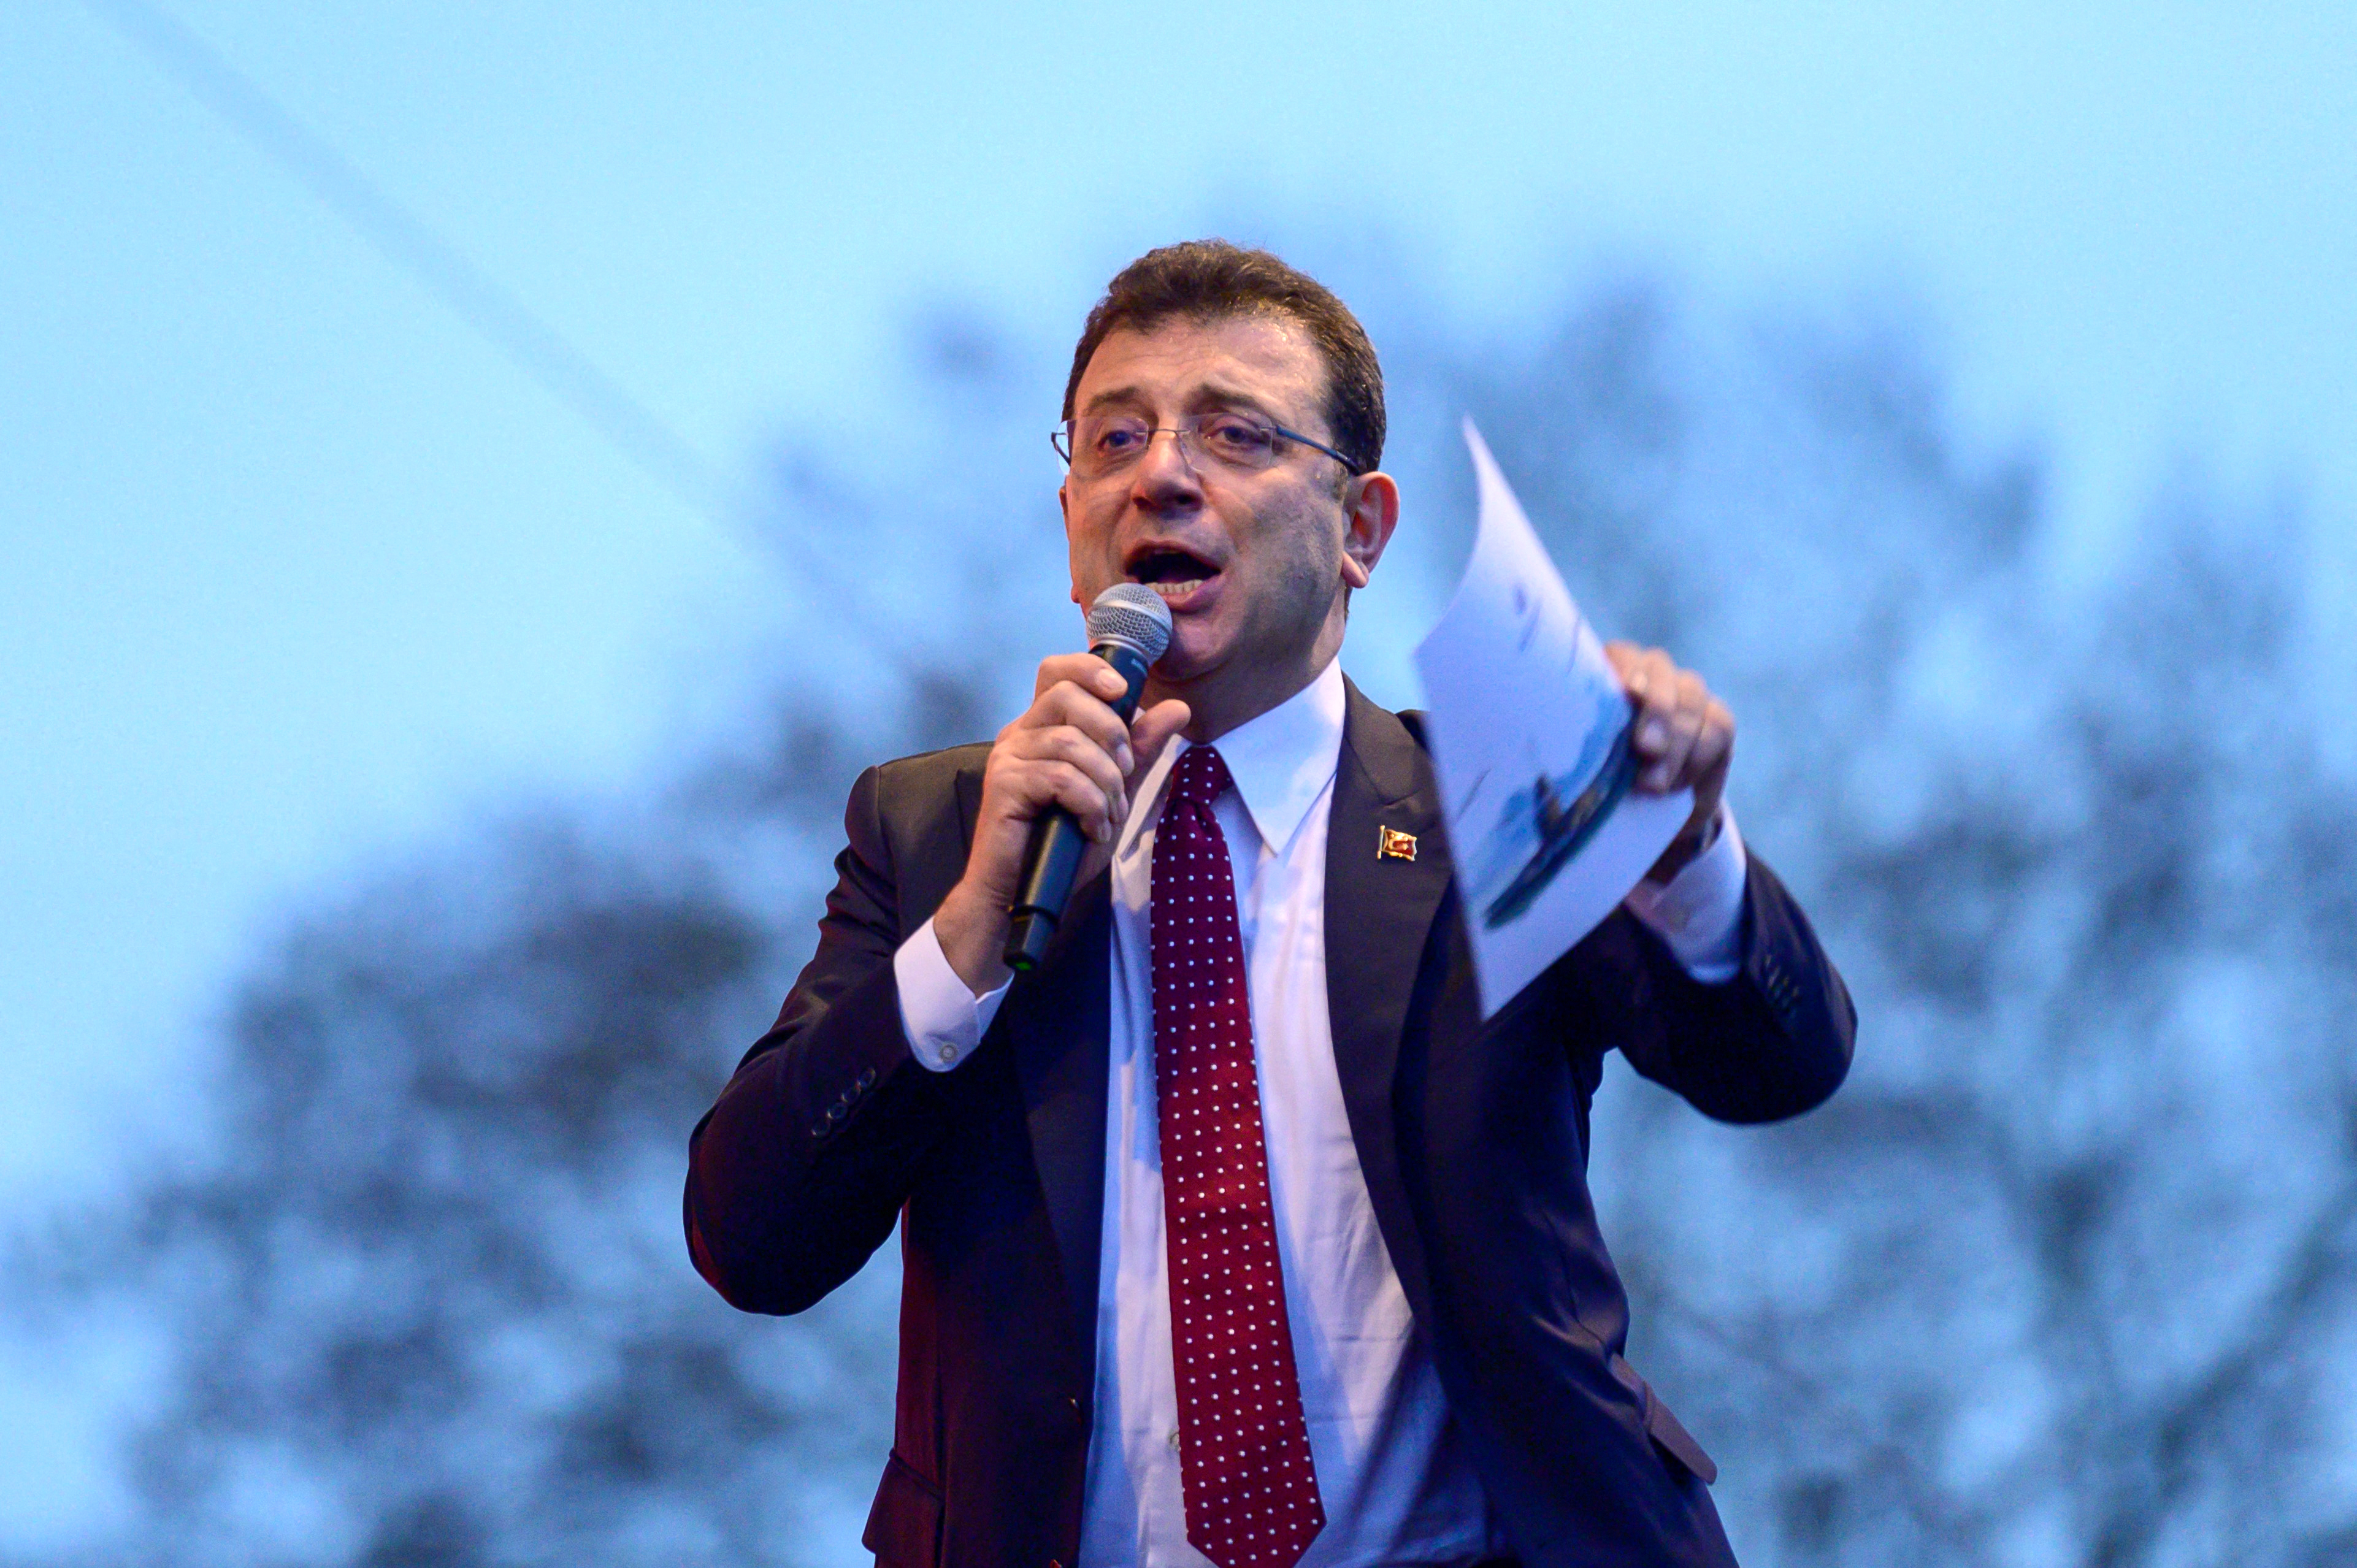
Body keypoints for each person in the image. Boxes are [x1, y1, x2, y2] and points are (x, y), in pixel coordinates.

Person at [685, 241, 1855, 1568]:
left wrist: (1682, 849)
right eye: (1114, 436)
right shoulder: (937, 831)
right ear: (1070, 516)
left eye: (1234, 433)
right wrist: (965, 939)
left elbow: (1779, 1063)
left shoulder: (1486, 798)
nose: (1160, 474)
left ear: (1361, 530)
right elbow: (748, 1239)